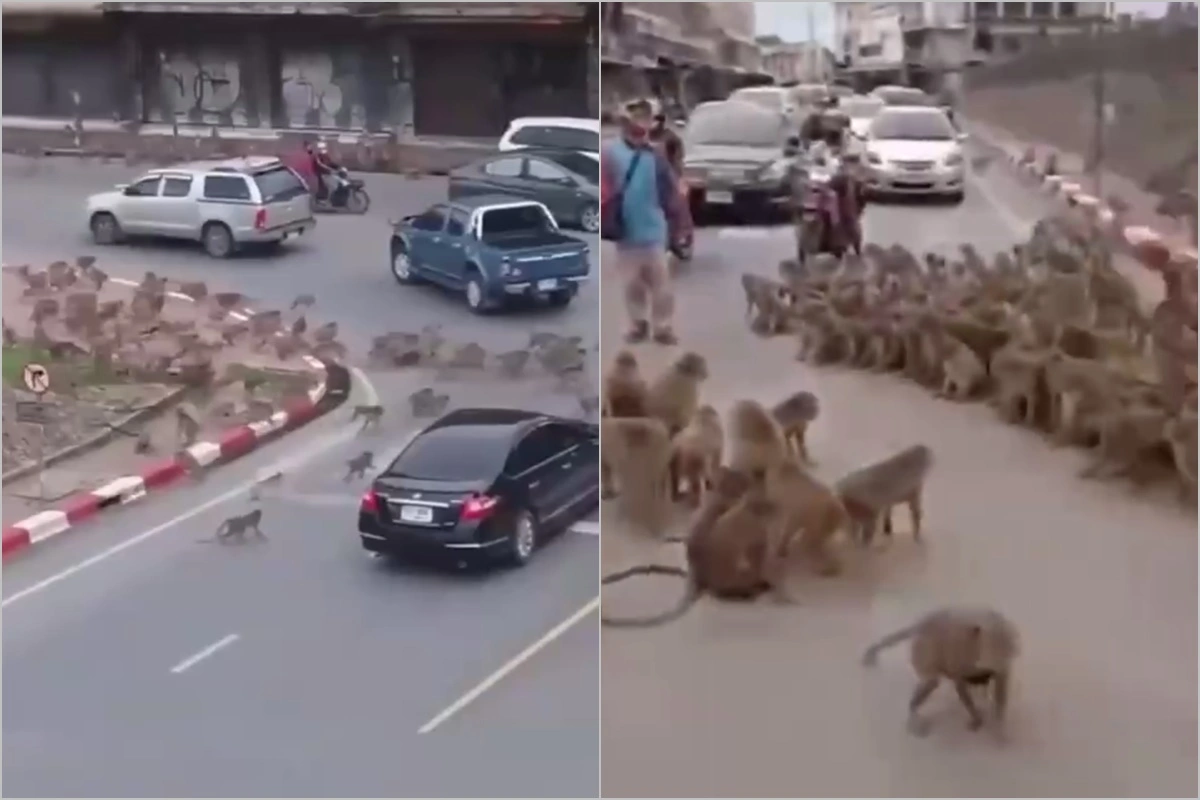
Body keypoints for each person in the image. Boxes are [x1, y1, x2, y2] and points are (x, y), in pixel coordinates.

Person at [602, 98, 686, 345]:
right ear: (625, 123)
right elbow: (603, 188)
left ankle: (663, 327)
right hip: (625, 231)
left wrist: (678, 223)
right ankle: (637, 324)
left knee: (662, 286)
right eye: (637, 118)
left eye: (646, 118)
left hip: (654, 230)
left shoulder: (655, 155)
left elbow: (670, 192)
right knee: (632, 285)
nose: (642, 124)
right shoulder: (609, 153)